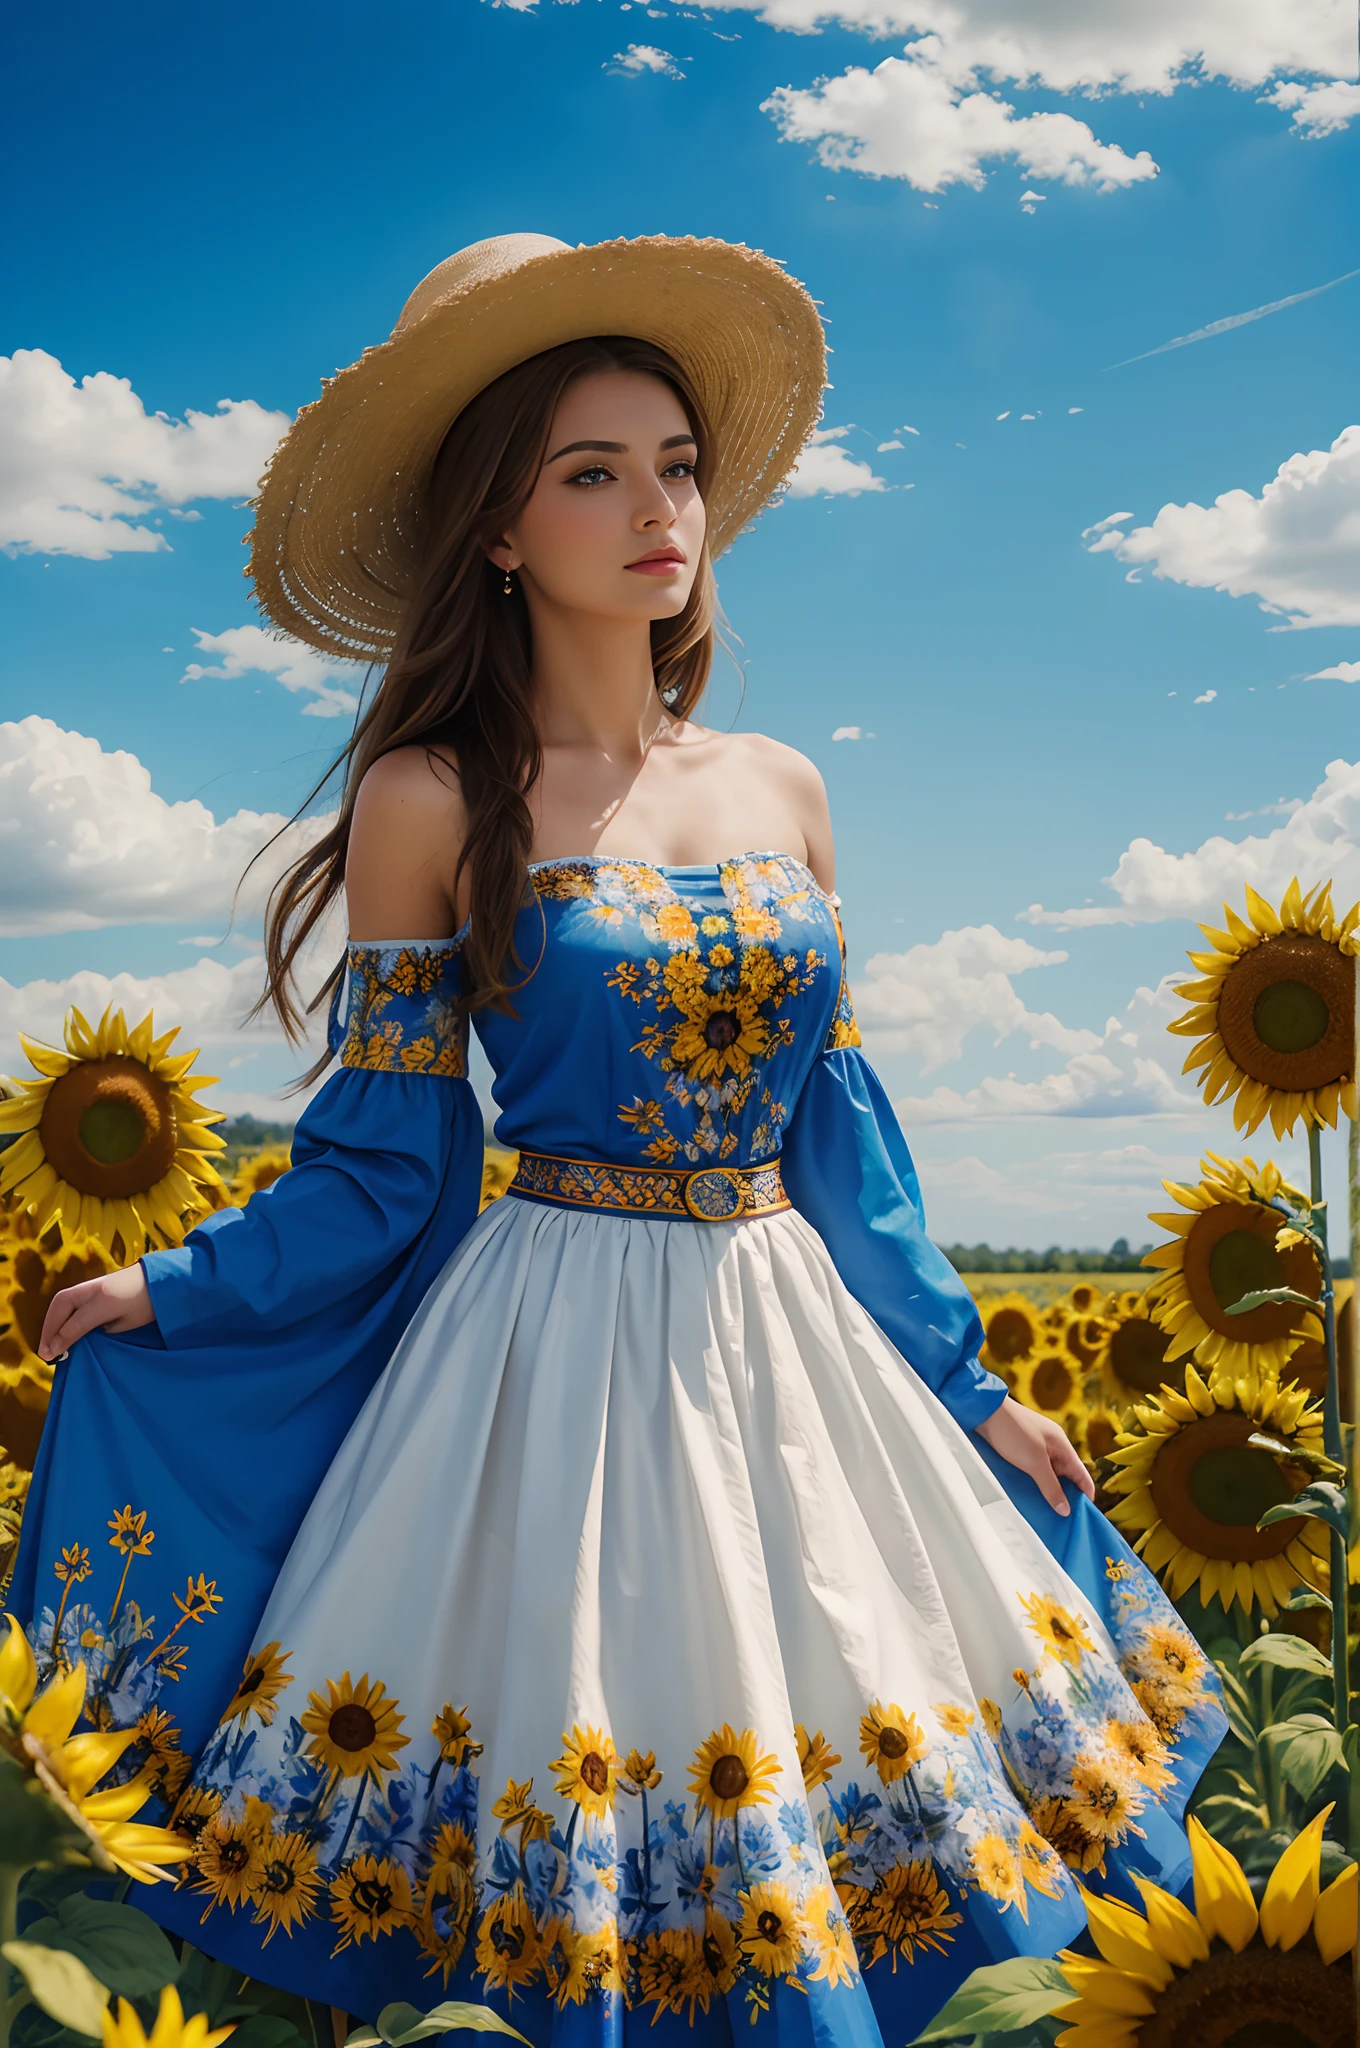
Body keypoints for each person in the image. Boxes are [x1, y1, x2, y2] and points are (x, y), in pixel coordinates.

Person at [15, 233, 1224, 2045]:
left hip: (798, 1348)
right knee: (594, 1774)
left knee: (851, 1800)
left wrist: (970, 1390)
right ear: (498, 532)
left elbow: (838, 1131)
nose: (659, 509)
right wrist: (179, 1283)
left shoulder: (784, 787)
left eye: (676, 465)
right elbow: (384, 1161)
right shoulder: (430, 798)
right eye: (592, 472)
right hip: (550, 1368)